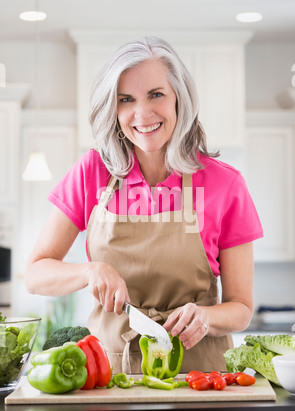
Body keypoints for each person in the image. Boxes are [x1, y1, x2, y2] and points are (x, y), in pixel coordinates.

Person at [24, 36, 263, 373]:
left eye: (156, 94)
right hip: (107, 372)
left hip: (200, 377)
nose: (142, 113)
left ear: (179, 98)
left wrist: (206, 316)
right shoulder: (92, 172)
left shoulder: (226, 184)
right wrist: (90, 271)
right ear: (114, 108)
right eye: (126, 99)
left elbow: (241, 308)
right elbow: (35, 274)